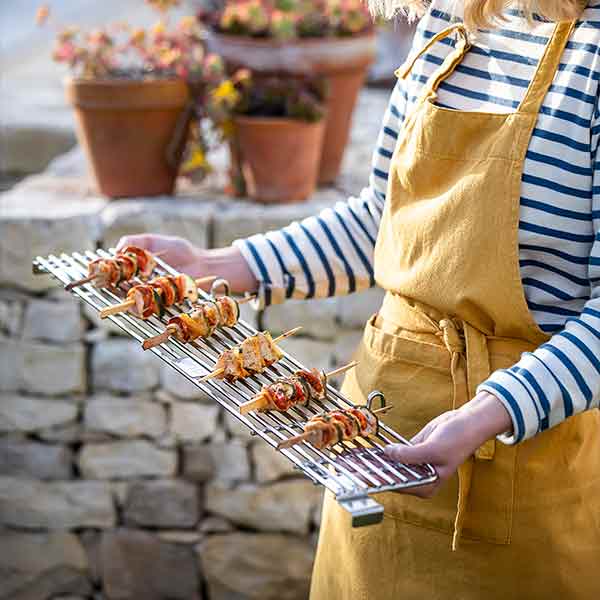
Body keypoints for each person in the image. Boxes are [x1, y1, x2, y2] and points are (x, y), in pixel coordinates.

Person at [118, 1, 600, 597]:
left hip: (520, 463)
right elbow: (382, 219)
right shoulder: (453, 19)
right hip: (374, 436)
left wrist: (484, 414)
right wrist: (220, 266)